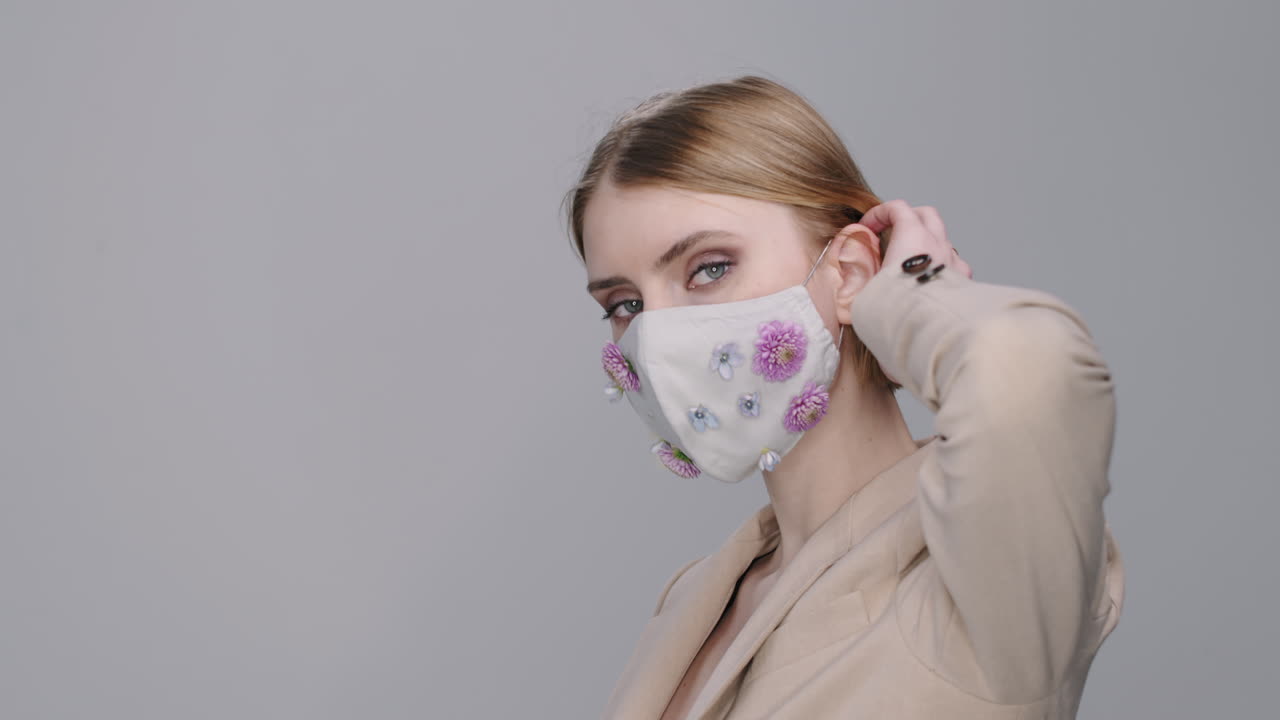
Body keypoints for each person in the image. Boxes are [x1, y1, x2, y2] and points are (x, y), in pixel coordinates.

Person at [562, 75, 1123, 720]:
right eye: (625, 305)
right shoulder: (692, 599)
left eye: (709, 268)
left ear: (849, 272)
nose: (656, 338)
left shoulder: (975, 573)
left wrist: (916, 292)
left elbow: (1028, 368)